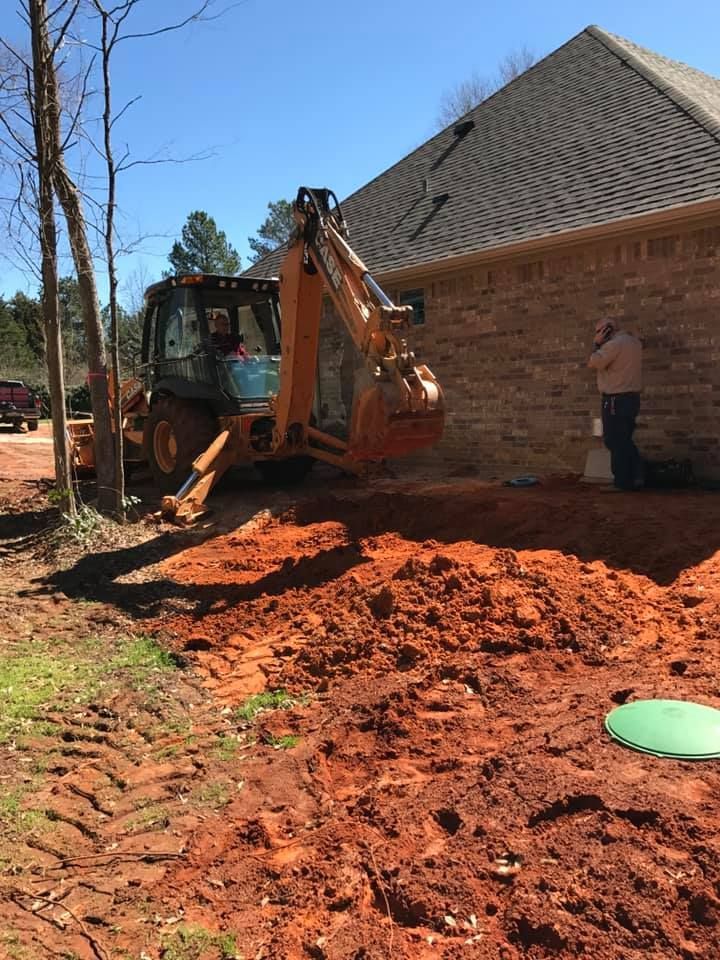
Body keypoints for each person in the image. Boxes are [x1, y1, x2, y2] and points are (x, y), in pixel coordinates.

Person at [587, 318, 643, 491]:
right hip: (632, 399)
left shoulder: (613, 345)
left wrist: (596, 345)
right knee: (624, 439)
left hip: (614, 399)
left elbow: (594, 362)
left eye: (598, 331)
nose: (597, 335)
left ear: (606, 330)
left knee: (614, 440)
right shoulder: (634, 342)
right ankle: (638, 474)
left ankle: (623, 482)